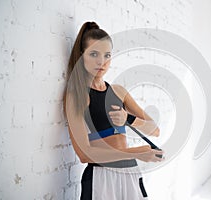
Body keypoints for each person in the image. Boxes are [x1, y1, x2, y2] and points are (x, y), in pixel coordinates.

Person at [62, 21, 164, 200]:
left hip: (129, 173)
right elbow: (85, 154)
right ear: (81, 55)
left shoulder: (118, 91)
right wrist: (137, 153)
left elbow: (154, 130)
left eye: (107, 55)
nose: (101, 62)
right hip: (102, 178)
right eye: (94, 54)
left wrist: (129, 119)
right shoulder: (77, 94)